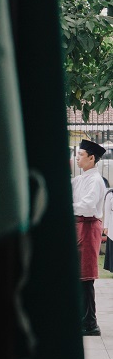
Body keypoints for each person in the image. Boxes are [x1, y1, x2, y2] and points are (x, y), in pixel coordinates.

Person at [72, 139, 107, 336]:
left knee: (85, 278)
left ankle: (90, 323)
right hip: (80, 226)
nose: (77, 158)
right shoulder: (81, 179)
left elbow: (86, 206)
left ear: (92, 158)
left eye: (80, 156)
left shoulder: (95, 180)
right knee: (79, 276)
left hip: (87, 227)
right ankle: (83, 320)